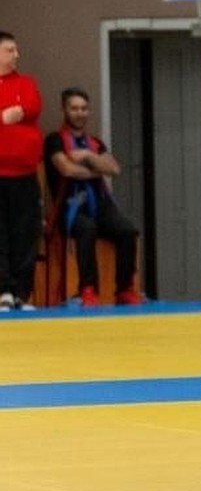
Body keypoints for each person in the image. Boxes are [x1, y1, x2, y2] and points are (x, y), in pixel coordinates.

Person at [43, 87, 141, 307]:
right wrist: (97, 171)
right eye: (74, 108)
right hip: (69, 208)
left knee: (127, 231)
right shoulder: (54, 140)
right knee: (87, 229)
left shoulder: (94, 143)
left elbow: (114, 169)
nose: (80, 113)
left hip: (99, 205)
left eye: (84, 108)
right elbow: (66, 169)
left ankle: (124, 289)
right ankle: (88, 289)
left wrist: (87, 155)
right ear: (64, 110)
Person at [0, 31, 42, 313]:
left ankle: (22, 293)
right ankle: (3, 290)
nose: (16, 55)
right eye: (10, 50)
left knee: (25, 234)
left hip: (25, 174)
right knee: (1, 234)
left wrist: (14, 114)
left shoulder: (26, 83)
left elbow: (32, 106)